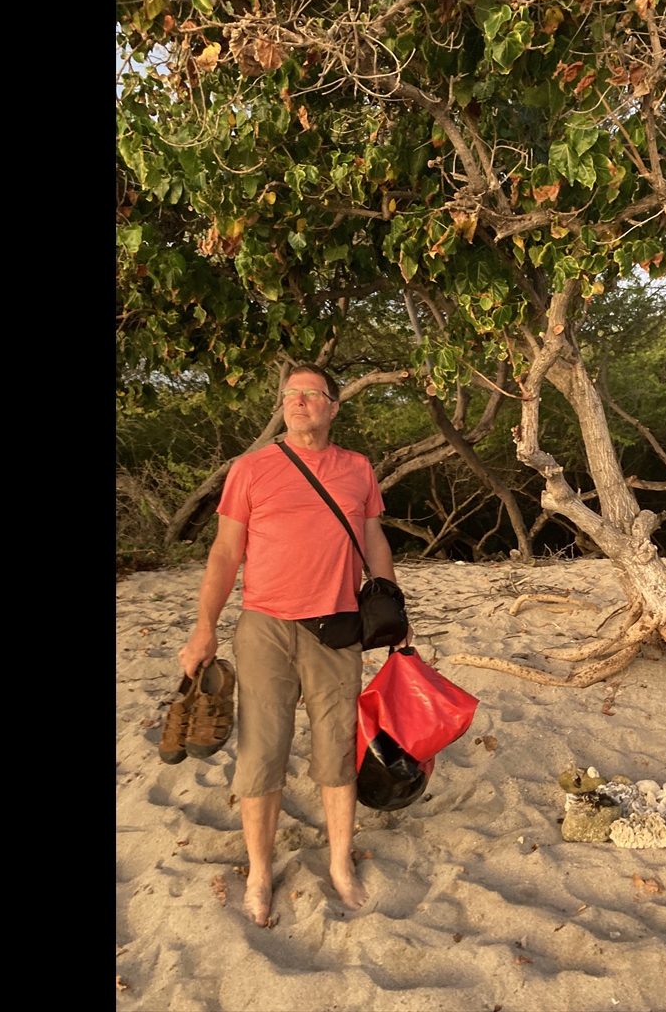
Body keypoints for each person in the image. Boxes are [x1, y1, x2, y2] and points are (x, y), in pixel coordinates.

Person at [179, 363, 407, 926]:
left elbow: (374, 539)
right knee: (262, 753)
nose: (299, 401)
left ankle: (338, 863)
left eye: (312, 394)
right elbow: (225, 552)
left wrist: (393, 608)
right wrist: (204, 626)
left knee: (336, 748)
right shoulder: (251, 468)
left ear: (333, 407)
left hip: (338, 628)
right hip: (266, 627)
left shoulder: (356, 468)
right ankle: (259, 872)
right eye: (291, 394)